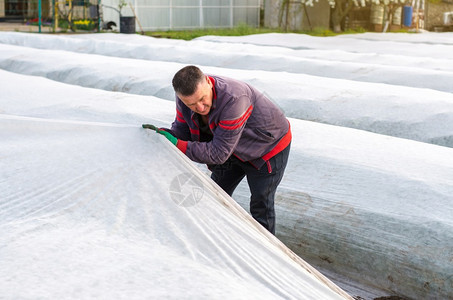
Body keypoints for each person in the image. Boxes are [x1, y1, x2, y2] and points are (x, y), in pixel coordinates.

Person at [143, 65, 291, 234]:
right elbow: (183, 131)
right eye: (191, 104)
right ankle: (214, 237)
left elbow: (219, 153)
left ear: (208, 81)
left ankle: (267, 253)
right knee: (215, 193)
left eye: (202, 99)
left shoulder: (234, 98)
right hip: (231, 146)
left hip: (267, 147)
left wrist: (178, 144)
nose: (199, 107)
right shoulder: (185, 98)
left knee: (260, 203)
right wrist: (166, 136)